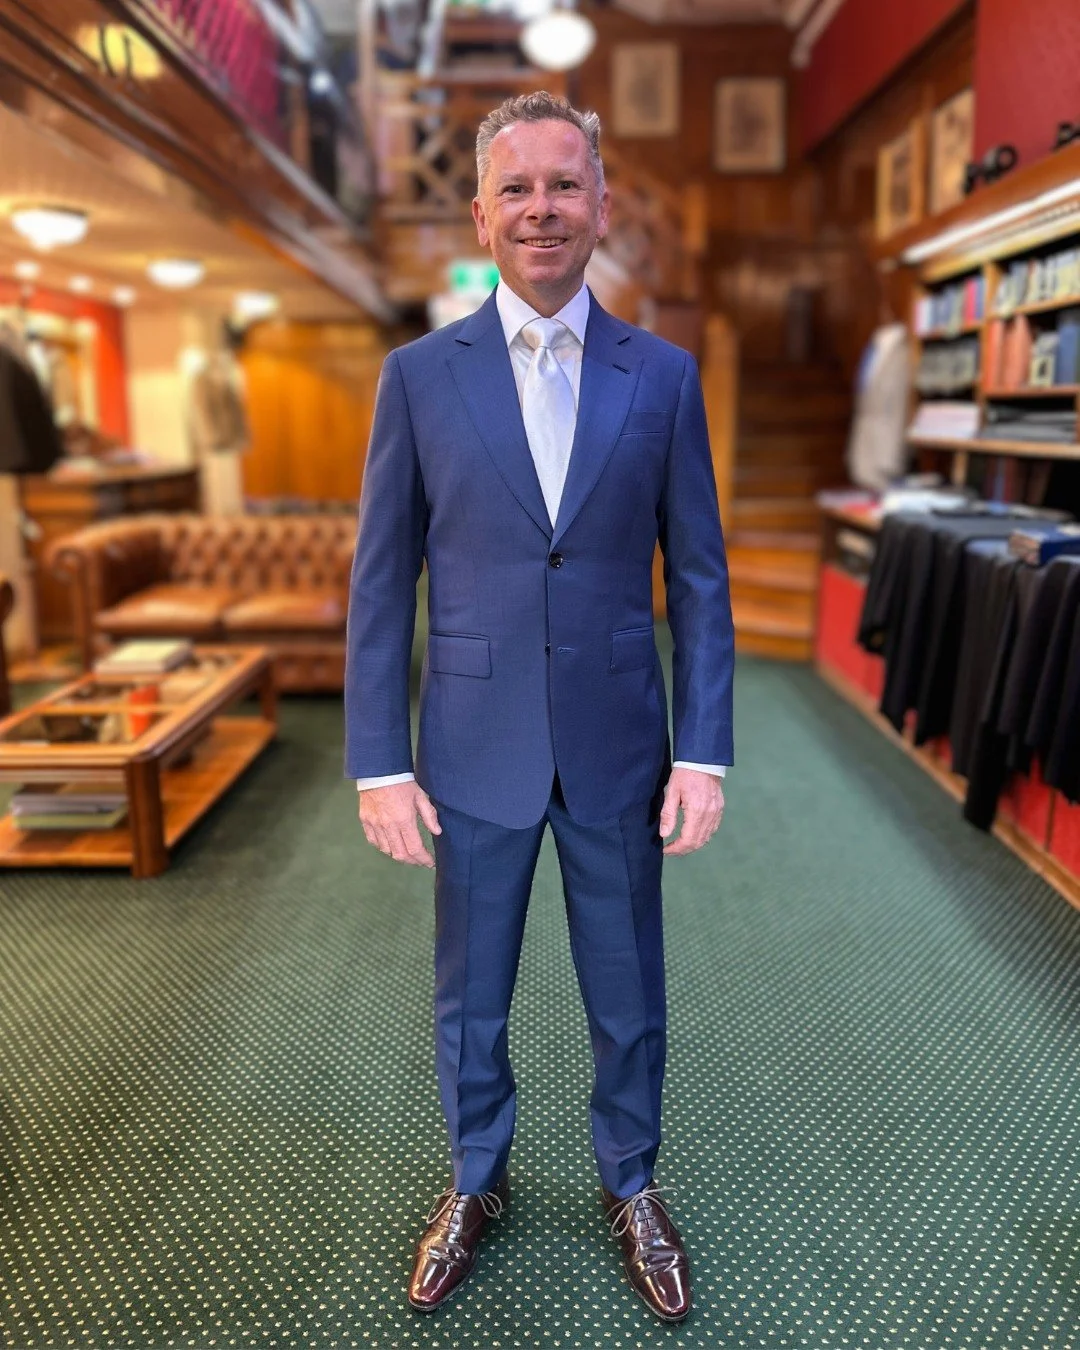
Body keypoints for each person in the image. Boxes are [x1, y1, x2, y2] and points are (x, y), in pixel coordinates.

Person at [344, 91, 734, 1323]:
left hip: (623, 743)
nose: (542, 209)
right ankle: (475, 1180)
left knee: (628, 988)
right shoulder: (417, 379)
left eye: (566, 185)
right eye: (516, 188)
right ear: (480, 211)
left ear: (603, 204)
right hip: (470, 743)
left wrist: (705, 751)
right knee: (472, 991)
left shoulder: (663, 379)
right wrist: (376, 761)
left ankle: (632, 1182)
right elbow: (379, 579)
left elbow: (706, 577)